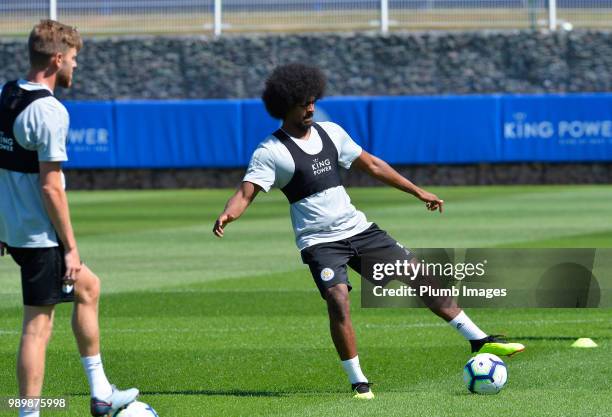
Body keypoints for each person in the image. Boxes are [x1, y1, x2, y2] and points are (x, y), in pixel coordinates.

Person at [213, 64, 525, 399]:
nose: (311, 108)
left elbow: (373, 165)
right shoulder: (271, 151)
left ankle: (479, 340)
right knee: (338, 299)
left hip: (359, 230)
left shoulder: (331, 133)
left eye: (314, 100)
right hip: (320, 242)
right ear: (284, 105)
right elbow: (246, 192)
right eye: (304, 103)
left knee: (417, 274)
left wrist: (418, 191)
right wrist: (229, 214)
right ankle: (358, 380)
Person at [0, 20, 138, 417]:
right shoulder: (49, 111)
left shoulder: (7, 94)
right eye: (74, 59)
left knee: (88, 288)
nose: (76, 67)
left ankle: (102, 393)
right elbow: (51, 188)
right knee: (37, 327)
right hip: (38, 235)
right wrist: (71, 248)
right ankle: (29, 413)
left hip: (16, 228)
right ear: (57, 59)